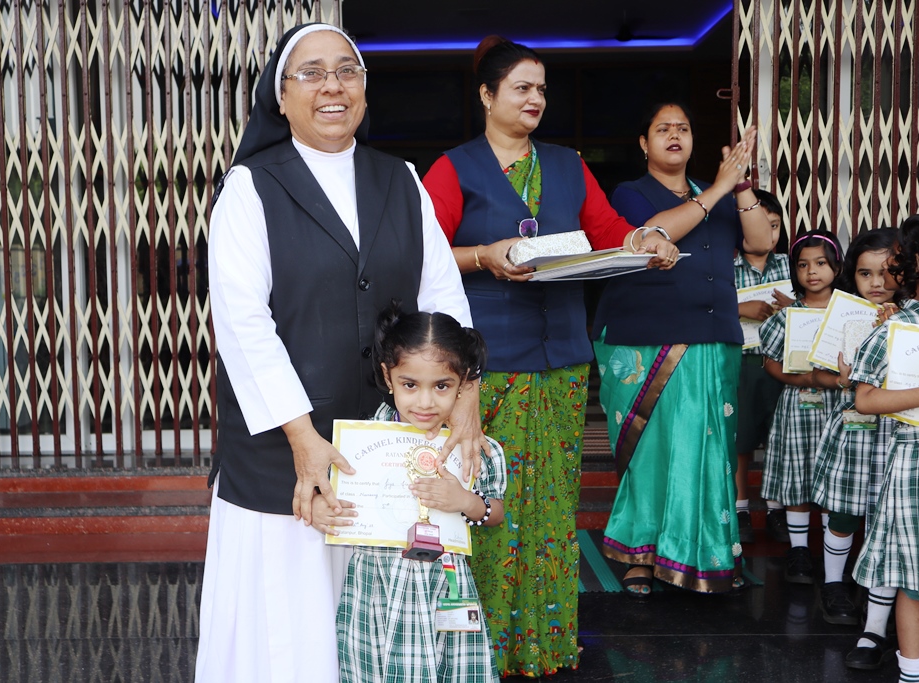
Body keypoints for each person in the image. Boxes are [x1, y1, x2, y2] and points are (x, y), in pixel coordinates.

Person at [195, 24, 482, 683]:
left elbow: (443, 297)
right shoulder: (251, 186)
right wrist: (302, 437)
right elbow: (242, 321)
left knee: (373, 610)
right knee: (284, 621)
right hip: (280, 448)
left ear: (364, 89)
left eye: (347, 71)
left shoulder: (400, 179)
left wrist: (465, 396)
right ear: (281, 97)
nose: (333, 85)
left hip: (384, 441)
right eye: (312, 73)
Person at [422, 36, 677, 676]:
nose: (536, 98)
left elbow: (610, 232)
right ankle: (480, 648)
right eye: (522, 88)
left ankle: (546, 642)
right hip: (487, 364)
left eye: (541, 88)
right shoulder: (453, 169)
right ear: (487, 96)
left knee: (552, 506)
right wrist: (484, 256)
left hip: (562, 358)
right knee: (487, 499)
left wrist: (647, 239)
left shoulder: (567, 165)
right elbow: (421, 254)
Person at [591, 101, 774, 597]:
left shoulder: (720, 192)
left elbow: (760, 244)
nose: (675, 135)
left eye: (684, 128)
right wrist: (716, 189)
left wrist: (740, 184)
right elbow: (650, 236)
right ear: (644, 143)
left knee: (707, 451)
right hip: (645, 342)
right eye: (663, 128)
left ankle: (705, 553)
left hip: (713, 338)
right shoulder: (629, 193)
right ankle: (640, 554)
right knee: (651, 451)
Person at [319, 304, 507, 683]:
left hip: (443, 585)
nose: (425, 402)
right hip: (375, 587)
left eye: (441, 386)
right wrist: (325, 510)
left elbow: (496, 512)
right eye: (410, 385)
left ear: (464, 383)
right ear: (388, 377)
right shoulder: (359, 440)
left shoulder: (475, 449)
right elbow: (333, 495)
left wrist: (465, 502)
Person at [849, 214, 919, 683]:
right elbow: (864, 398)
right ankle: (911, 673)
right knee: (913, 576)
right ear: (918, 265)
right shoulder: (899, 325)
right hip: (916, 466)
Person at [807, 228, 898, 630]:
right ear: (852, 275)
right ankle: (833, 584)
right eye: (865, 273)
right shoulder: (842, 315)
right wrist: (840, 379)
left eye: (886, 272)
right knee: (844, 510)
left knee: (885, 515)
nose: (876, 282)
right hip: (854, 431)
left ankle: (873, 589)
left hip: (895, 433)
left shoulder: (914, 315)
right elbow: (816, 371)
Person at [758, 229, 843, 585]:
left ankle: (832, 551)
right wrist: (804, 378)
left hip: (840, 406)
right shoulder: (787, 315)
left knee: (833, 475)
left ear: (837, 266)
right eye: (803, 265)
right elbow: (770, 362)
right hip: (798, 405)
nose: (812, 272)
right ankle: (799, 550)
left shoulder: (849, 313)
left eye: (821, 263)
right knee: (798, 472)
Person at [733, 188, 792, 544]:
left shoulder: (790, 266)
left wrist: (793, 309)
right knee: (740, 439)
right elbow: (706, 307)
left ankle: (776, 508)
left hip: (783, 365)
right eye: (758, 225)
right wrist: (741, 309)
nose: (767, 234)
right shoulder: (725, 268)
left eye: (774, 226)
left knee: (778, 438)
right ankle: (740, 507)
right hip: (741, 364)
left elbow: (814, 305)